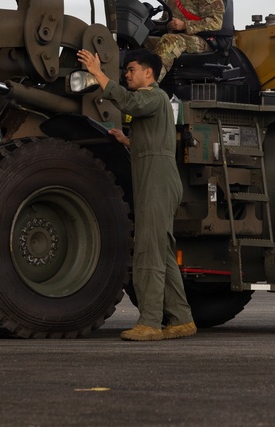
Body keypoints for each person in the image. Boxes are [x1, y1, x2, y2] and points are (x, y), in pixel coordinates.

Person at [76, 47, 196, 342]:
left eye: (131, 70)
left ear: (148, 73)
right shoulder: (155, 102)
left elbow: (129, 102)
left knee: (148, 251)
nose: (127, 75)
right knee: (162, 252)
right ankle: (182, 319)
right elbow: (154, 142)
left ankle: (150, 322)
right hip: (157, 178)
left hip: (156, 180)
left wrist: (97, 72)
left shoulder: (153, 96)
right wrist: (127, 140)